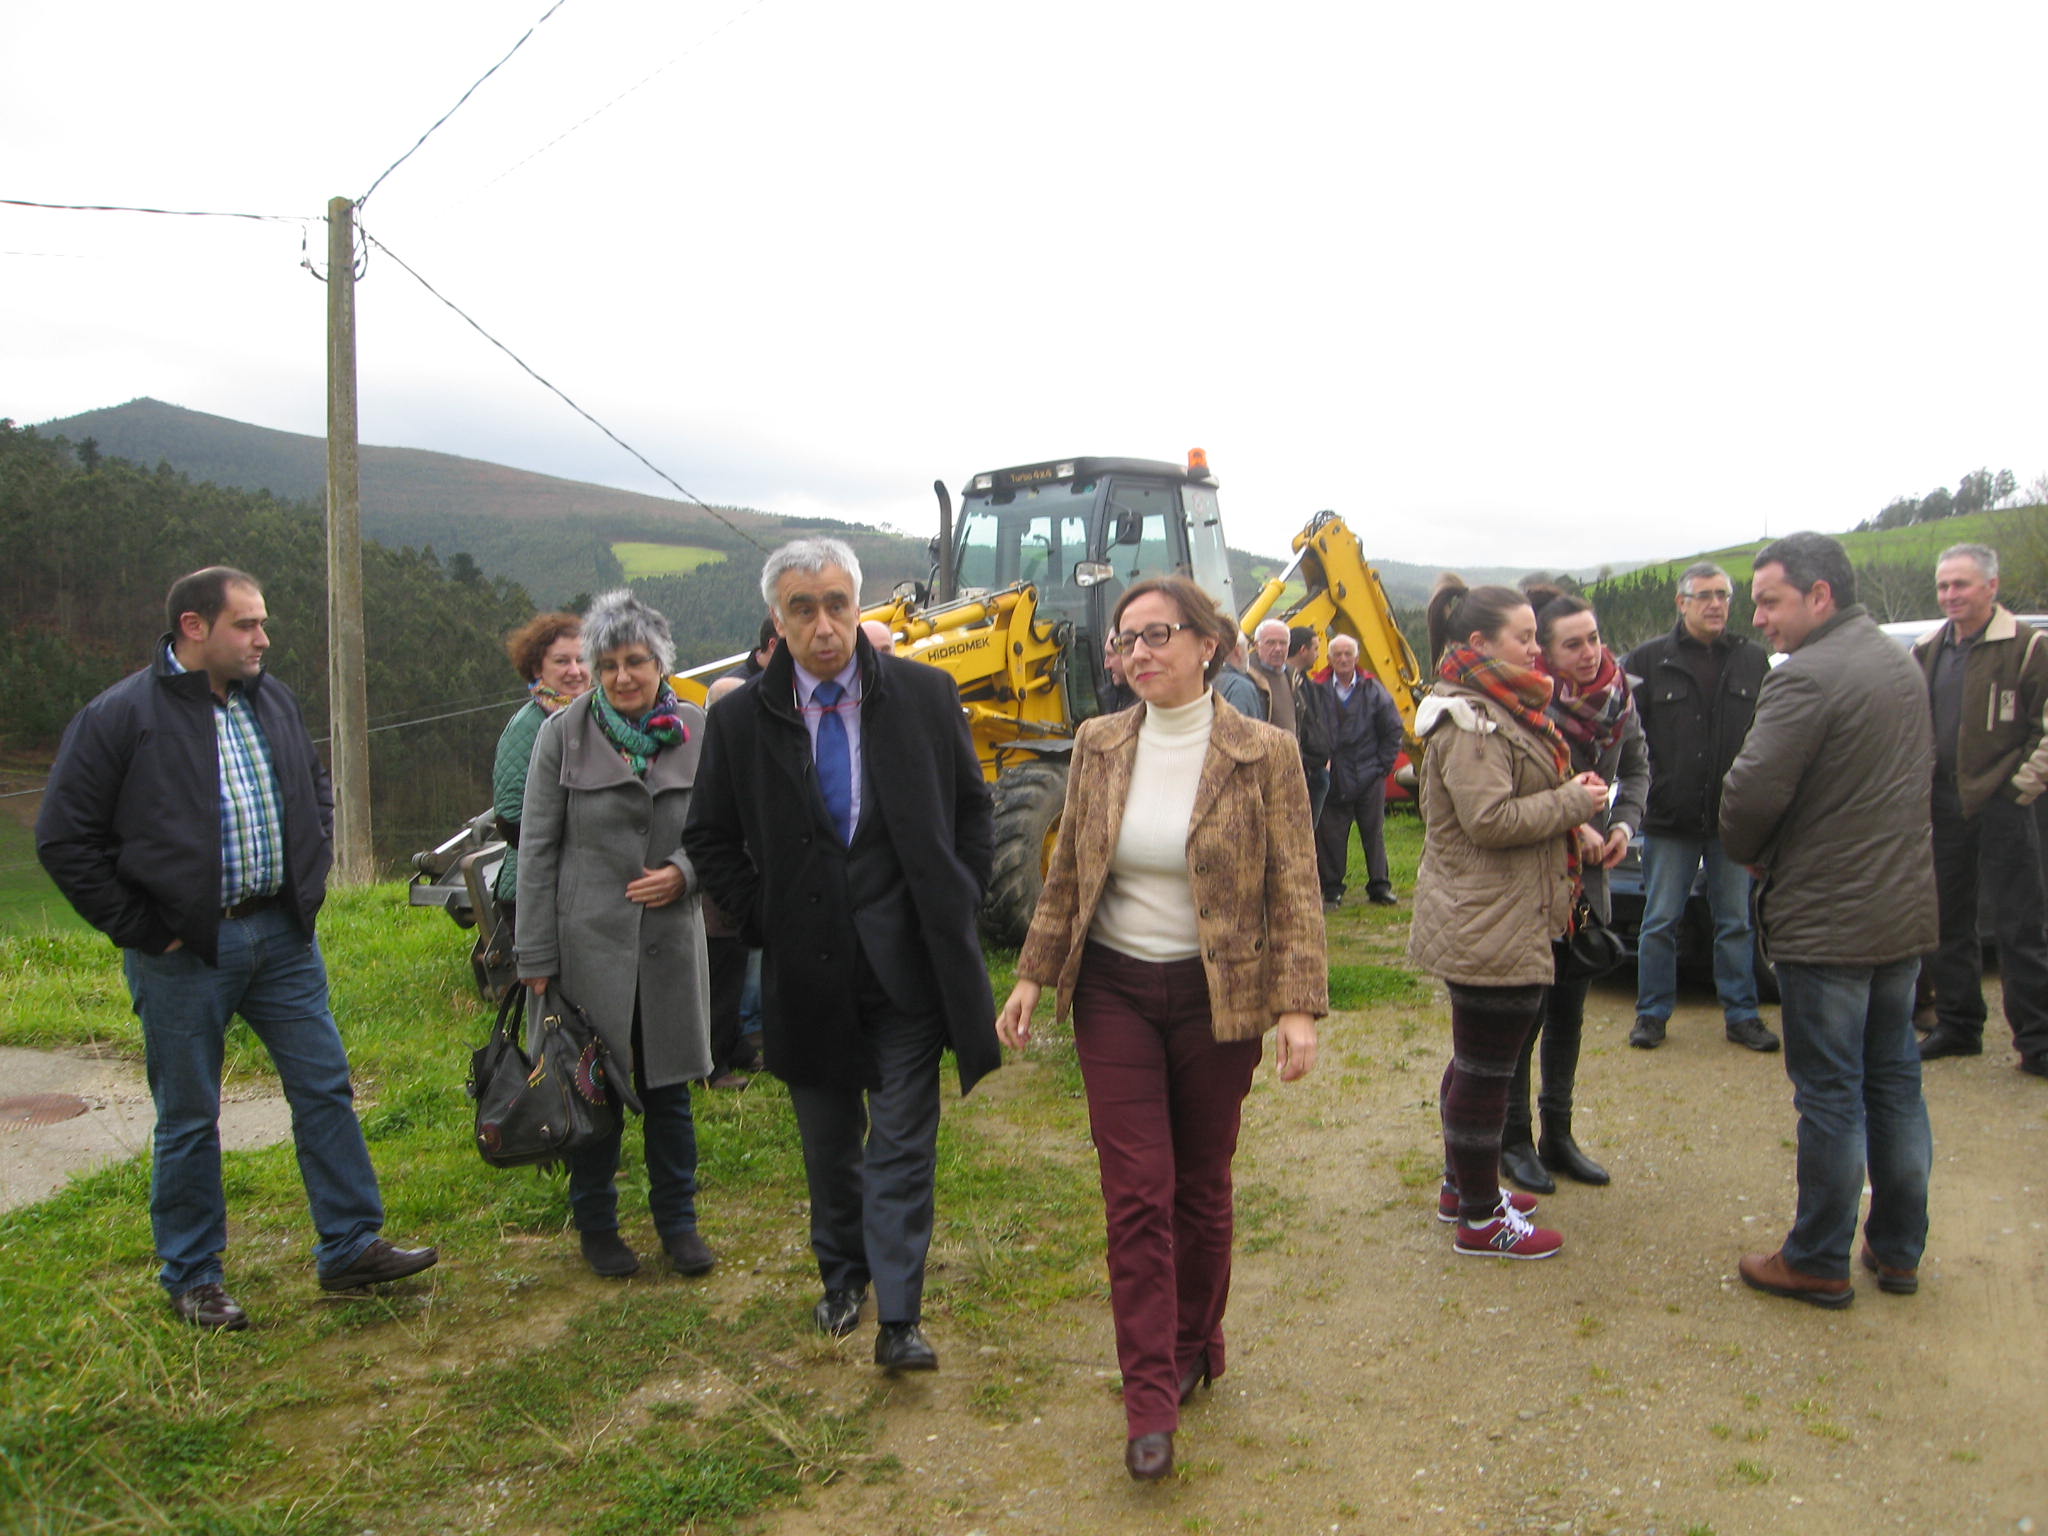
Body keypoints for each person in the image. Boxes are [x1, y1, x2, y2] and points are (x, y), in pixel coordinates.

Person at [35, 566, 437, 1329]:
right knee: (189, 1115)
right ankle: (193, 1276)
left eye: (261, 624)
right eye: (246, 625)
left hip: (281, 937)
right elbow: (64, 839)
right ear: (194, 627)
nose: (263, 638)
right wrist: (149, 927)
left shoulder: (269, 698)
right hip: (184, 953)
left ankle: (350, 1245)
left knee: (324, 1087)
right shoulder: (120, 716)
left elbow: (313, 785)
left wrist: (307, 880)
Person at [997, 575, 1324, 1483]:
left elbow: (1294, 884)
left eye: (1157, 634)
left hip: (1220, 1000)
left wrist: (1296, 1005)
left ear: (1208, 644)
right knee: (1137, 1191)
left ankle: (1193, 1341)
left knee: (1201, 1186)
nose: (1138, 652)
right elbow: (1068, 881)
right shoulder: (1098, 745)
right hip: (1115, 996)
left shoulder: (1265, 753)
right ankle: (1150, 1397)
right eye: (1124, 639)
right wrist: (1033, 974)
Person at [684, 537, 999, 1374]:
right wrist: (765, 921)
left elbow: (974, 808)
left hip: (907, 972)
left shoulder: (927, 697)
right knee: (830, 1143)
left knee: (901, 1141)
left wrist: (958, 896)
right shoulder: (742, 719)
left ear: (857, 607)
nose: (824, 625)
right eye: (802, 608)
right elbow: (709, 838)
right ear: (778, 622)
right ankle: (842, 1275)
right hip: (808, 973)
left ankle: (900, 1317)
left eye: (837, 605)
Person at [1721, 532, 1935, 1306]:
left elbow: (1748, 796)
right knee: (1895, 1081)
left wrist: (1751, 850)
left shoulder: (1806, 679)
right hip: (1899, 913)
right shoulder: (1897, 662)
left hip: (1829, 919)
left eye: (1770, 601)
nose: (1760, 618)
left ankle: (1816, 1256)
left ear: (1820, 597)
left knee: (1832, 1093)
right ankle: (1900, 1245)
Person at [515, 589, 717, 1280]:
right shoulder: (561, 735)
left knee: (670, 1092)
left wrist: (684, 874)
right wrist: (534, 956)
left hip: (669, 945)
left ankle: (678, 1225)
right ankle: (597, 1226)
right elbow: (536, 850)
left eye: (637, 661)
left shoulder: (696, 728)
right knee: (589, 1095)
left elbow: (724, 835)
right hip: (587, 952)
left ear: (661, 663)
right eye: (608, 665)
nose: (623, 677)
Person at [1408, 576, 1606, 1259]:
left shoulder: (1495, 706)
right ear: (1477, 644)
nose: (1537, 649)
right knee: (1487, 1070)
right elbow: (1488, 820)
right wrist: (1574, 806)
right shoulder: (1469, 718)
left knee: (1477, 1062)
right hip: (1489, 917)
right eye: (1524, 637)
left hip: (1497, 912)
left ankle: (1461, 1186)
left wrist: (1567, 820)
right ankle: (1481, 1217)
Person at [1500, 587, 1649, 1193]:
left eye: (1593, 638)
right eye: (1572, 644)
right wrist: (1572, 819)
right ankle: (1513, 1140)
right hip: (1533, 880)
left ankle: (1557, 1133)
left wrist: (1621, 826)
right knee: (1522, 1019)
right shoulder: (1518, 707)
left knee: (1569, 1014)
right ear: (1546, 654)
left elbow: (1638, 767)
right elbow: (1506, 795)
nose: (1589, 653)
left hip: (1588, 886)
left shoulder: (1620, 697)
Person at [1621, 562, 1776, 1052]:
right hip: (1670, 818)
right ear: (1681, 603)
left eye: (1723, 595)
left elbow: (1771, 734)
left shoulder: (1754, 660)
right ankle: (1651, 1015)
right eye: (1704, 595)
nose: (1716, 604)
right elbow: (1625, 736)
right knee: (1660, 920)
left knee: (1735, 922)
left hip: (1733, 818)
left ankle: (1742, 1015)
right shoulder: (1647, 662)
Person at [1910, 543, 2048, 1077]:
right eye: (1944, 585)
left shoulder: (2027, 647)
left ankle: (2036, 1041)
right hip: (1942, 805)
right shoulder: (1928, 648)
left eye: (1961, 585)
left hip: (2005, 805)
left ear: (1991, 586)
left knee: (2020, 925)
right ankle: (1959, 1026)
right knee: (1947, 922)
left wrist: (2019, 788)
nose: (1950, 595)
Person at [490, 612, 589, 921]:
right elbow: (511, 815)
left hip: (583, 888)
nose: (575, 671)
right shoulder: (528, 726)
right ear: (536, 667)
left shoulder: (595, 718)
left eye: (582, 659)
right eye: (562, 661)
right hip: (536, 893)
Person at [1316, 634, 1405, 909]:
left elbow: (1393, 729)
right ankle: (1332, 890)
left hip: (1369, 773)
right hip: (1333, 775)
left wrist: (1382, 767)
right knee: (1330, 835)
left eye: (1348, 654)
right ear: (1329, 659)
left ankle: (1379, 885)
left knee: (1373, 832)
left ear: (1357, 658)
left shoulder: (1373, 689)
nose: (1343, 659)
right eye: (1337, 654)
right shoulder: (1316, 688)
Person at [1288, 626, 1335, 825]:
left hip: (1317, 770)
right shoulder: (1287, 685)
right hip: (1300, 771)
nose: (1318, 655)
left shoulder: (1308, 684)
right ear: (1303, 650)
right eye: (1315, 649)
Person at [1249, 619, 1297, 739]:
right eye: (1270, 643)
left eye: (1283, 643)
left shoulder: (1293, 676)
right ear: (1256, 645)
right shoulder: (1247, 677)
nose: (1278, 648)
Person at [1213, 633, 1265, 719]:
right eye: (1247, 648)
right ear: (1238, 651)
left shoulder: (1207, 679)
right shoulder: (1241, 686)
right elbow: (1241, 729)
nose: (1248, 653)